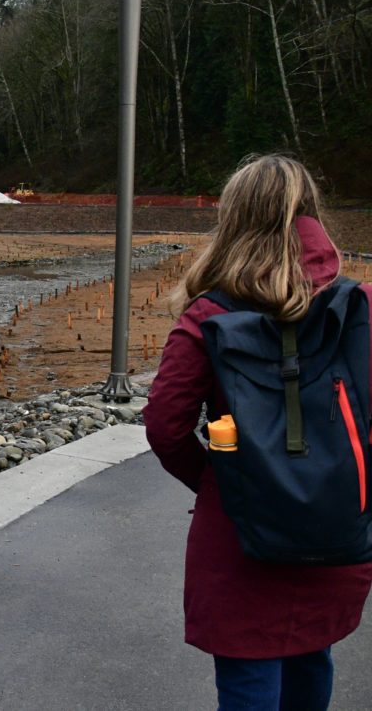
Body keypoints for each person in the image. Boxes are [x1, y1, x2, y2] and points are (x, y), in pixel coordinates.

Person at [143, 153, 372, 710]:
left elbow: (166, 424)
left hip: (244, 533)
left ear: (235, 219)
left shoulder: (208, 314)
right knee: (311, 653)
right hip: (337, 518)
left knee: (250, 674)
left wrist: (218, 481)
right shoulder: (357, 304)